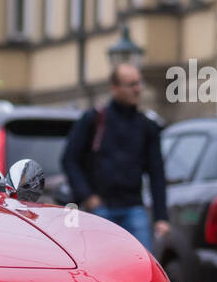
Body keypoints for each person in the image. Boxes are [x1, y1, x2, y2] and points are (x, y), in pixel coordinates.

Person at [61, 64, 169, 251]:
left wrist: (161, 217)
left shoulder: (147, 126)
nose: (138, 89)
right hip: (101, 208)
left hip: (134, 208)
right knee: (100, 265)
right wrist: (87, 196)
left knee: (141, 266)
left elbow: (156, 173)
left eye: (139, 83)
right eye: (131, 84)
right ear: (114, 87)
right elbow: (69, 160)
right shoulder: (93, 120)